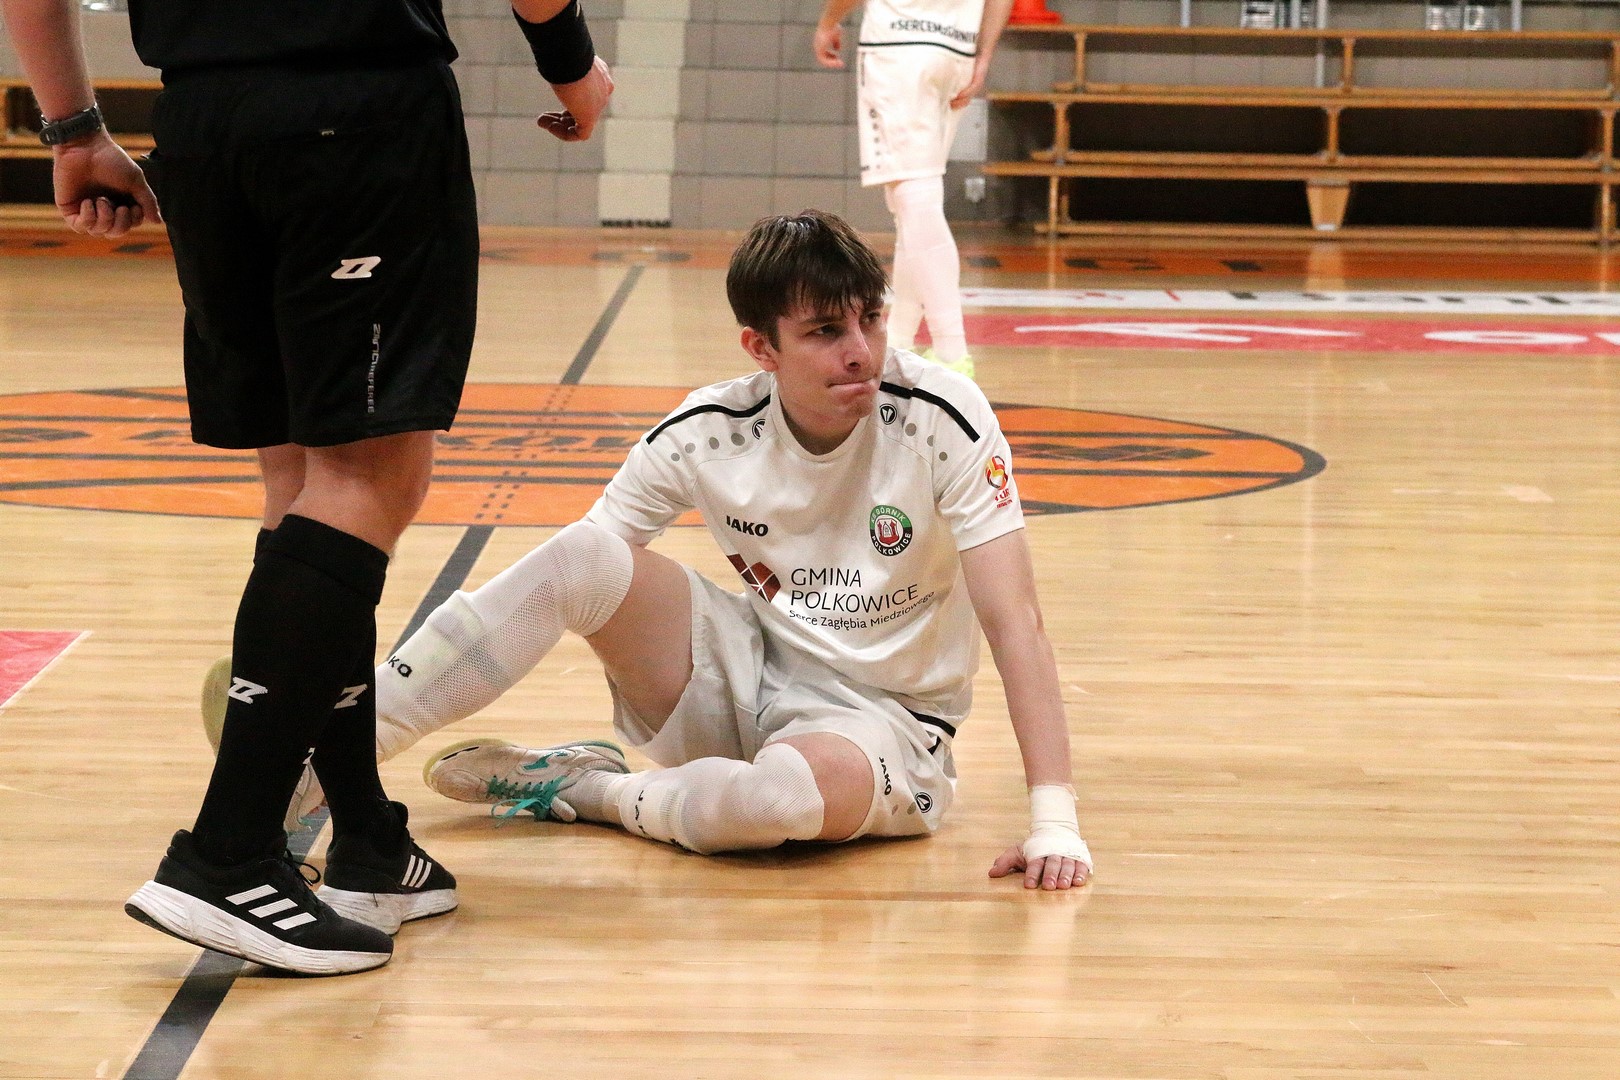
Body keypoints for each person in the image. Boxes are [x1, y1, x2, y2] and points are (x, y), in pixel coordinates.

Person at [0, 0, 613, 974]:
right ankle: (228, 852)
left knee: (299, 484)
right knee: (367, 477)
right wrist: (571, 61)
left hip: (204, 125)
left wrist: (72, 128)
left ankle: (366, 839)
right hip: (353, 113)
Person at [315, 211, 1091, 889]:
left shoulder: (942, 418)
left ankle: (591, 791)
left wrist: (1054, 822)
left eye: (871, 319)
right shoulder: (707, 432)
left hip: (887, 723)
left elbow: (1015, 621)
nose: (861, 351)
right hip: (743, 672)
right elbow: (581, 576)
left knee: (772, 802)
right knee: (583, 553)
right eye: (825, 331)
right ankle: (326, 753)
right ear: (761, 347)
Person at [812, 0, 1017, 381]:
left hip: (899, 48)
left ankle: (952, 352)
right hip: (956, 52)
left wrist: (828, 22)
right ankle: (898, 342)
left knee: (914, 199)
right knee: (911, 205)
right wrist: (983, 55)